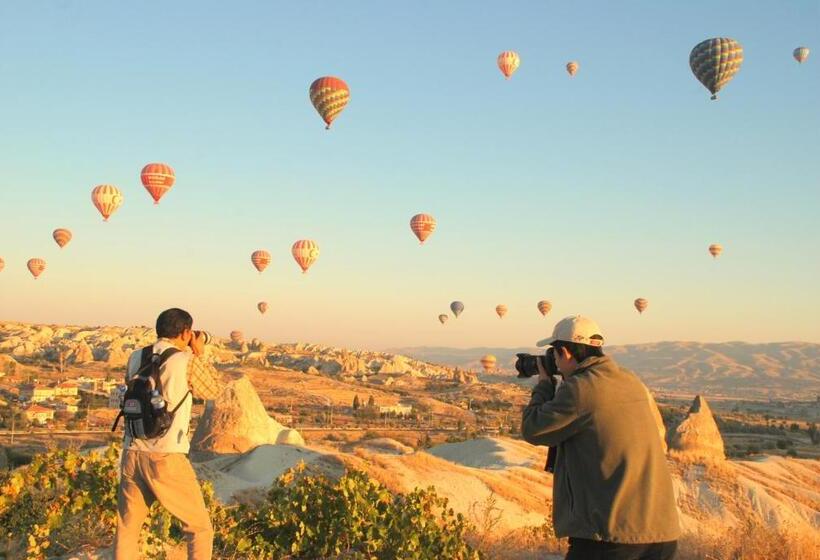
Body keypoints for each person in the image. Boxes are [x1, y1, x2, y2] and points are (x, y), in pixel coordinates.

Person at [521, 315, 680, 560]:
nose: (553, 361)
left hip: (611, 535)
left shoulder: (582, 388)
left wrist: (544, 385)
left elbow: (532, 428)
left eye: (553, 354)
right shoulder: (629, 380)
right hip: (661, 531)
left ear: (565, 352)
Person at [114, 308, 224, 560]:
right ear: (186, 332)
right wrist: (199, 353)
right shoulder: (185, 361)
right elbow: (214, 390)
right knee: (199, 529)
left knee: (127, 529)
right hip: (166, 456)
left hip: (132, 451)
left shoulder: (135, 357)